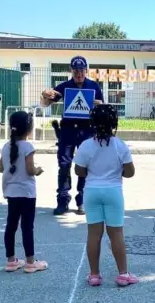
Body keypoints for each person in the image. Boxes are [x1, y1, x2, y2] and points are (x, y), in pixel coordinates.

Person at [73, 104, 139, 287]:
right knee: (116, 233)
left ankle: (94, 275)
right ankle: (123, 274)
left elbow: (79, 170)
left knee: (94, 234)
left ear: (92, 122)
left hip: (92, 191)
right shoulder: (120, 145)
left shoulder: (86, 145)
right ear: (114, 123)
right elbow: (130, 172)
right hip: (113, 191)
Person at [40, 55, 104, 216]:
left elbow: (102, 107)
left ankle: (82, 200)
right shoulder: (65, 86)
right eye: (76, 71)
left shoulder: (93, 86)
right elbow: (45, 104)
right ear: (71, 71)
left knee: (85, 165)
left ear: (86, 70)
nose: (79, 74)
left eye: (81, 71)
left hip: (87, 130)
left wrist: (98, 105)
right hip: (67, 130)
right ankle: (62, 200)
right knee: (64, 164)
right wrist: (44, 95)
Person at [0, 111, 48, 273]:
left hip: (11, 191)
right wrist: (38, 170)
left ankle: (11, 260)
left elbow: (0, 167)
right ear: (29, 129)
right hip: (26, 192)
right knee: (27, 227)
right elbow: (29, 169)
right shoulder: (28, 147)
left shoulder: (6, 146)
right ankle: (30, 262)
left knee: (11, 226)